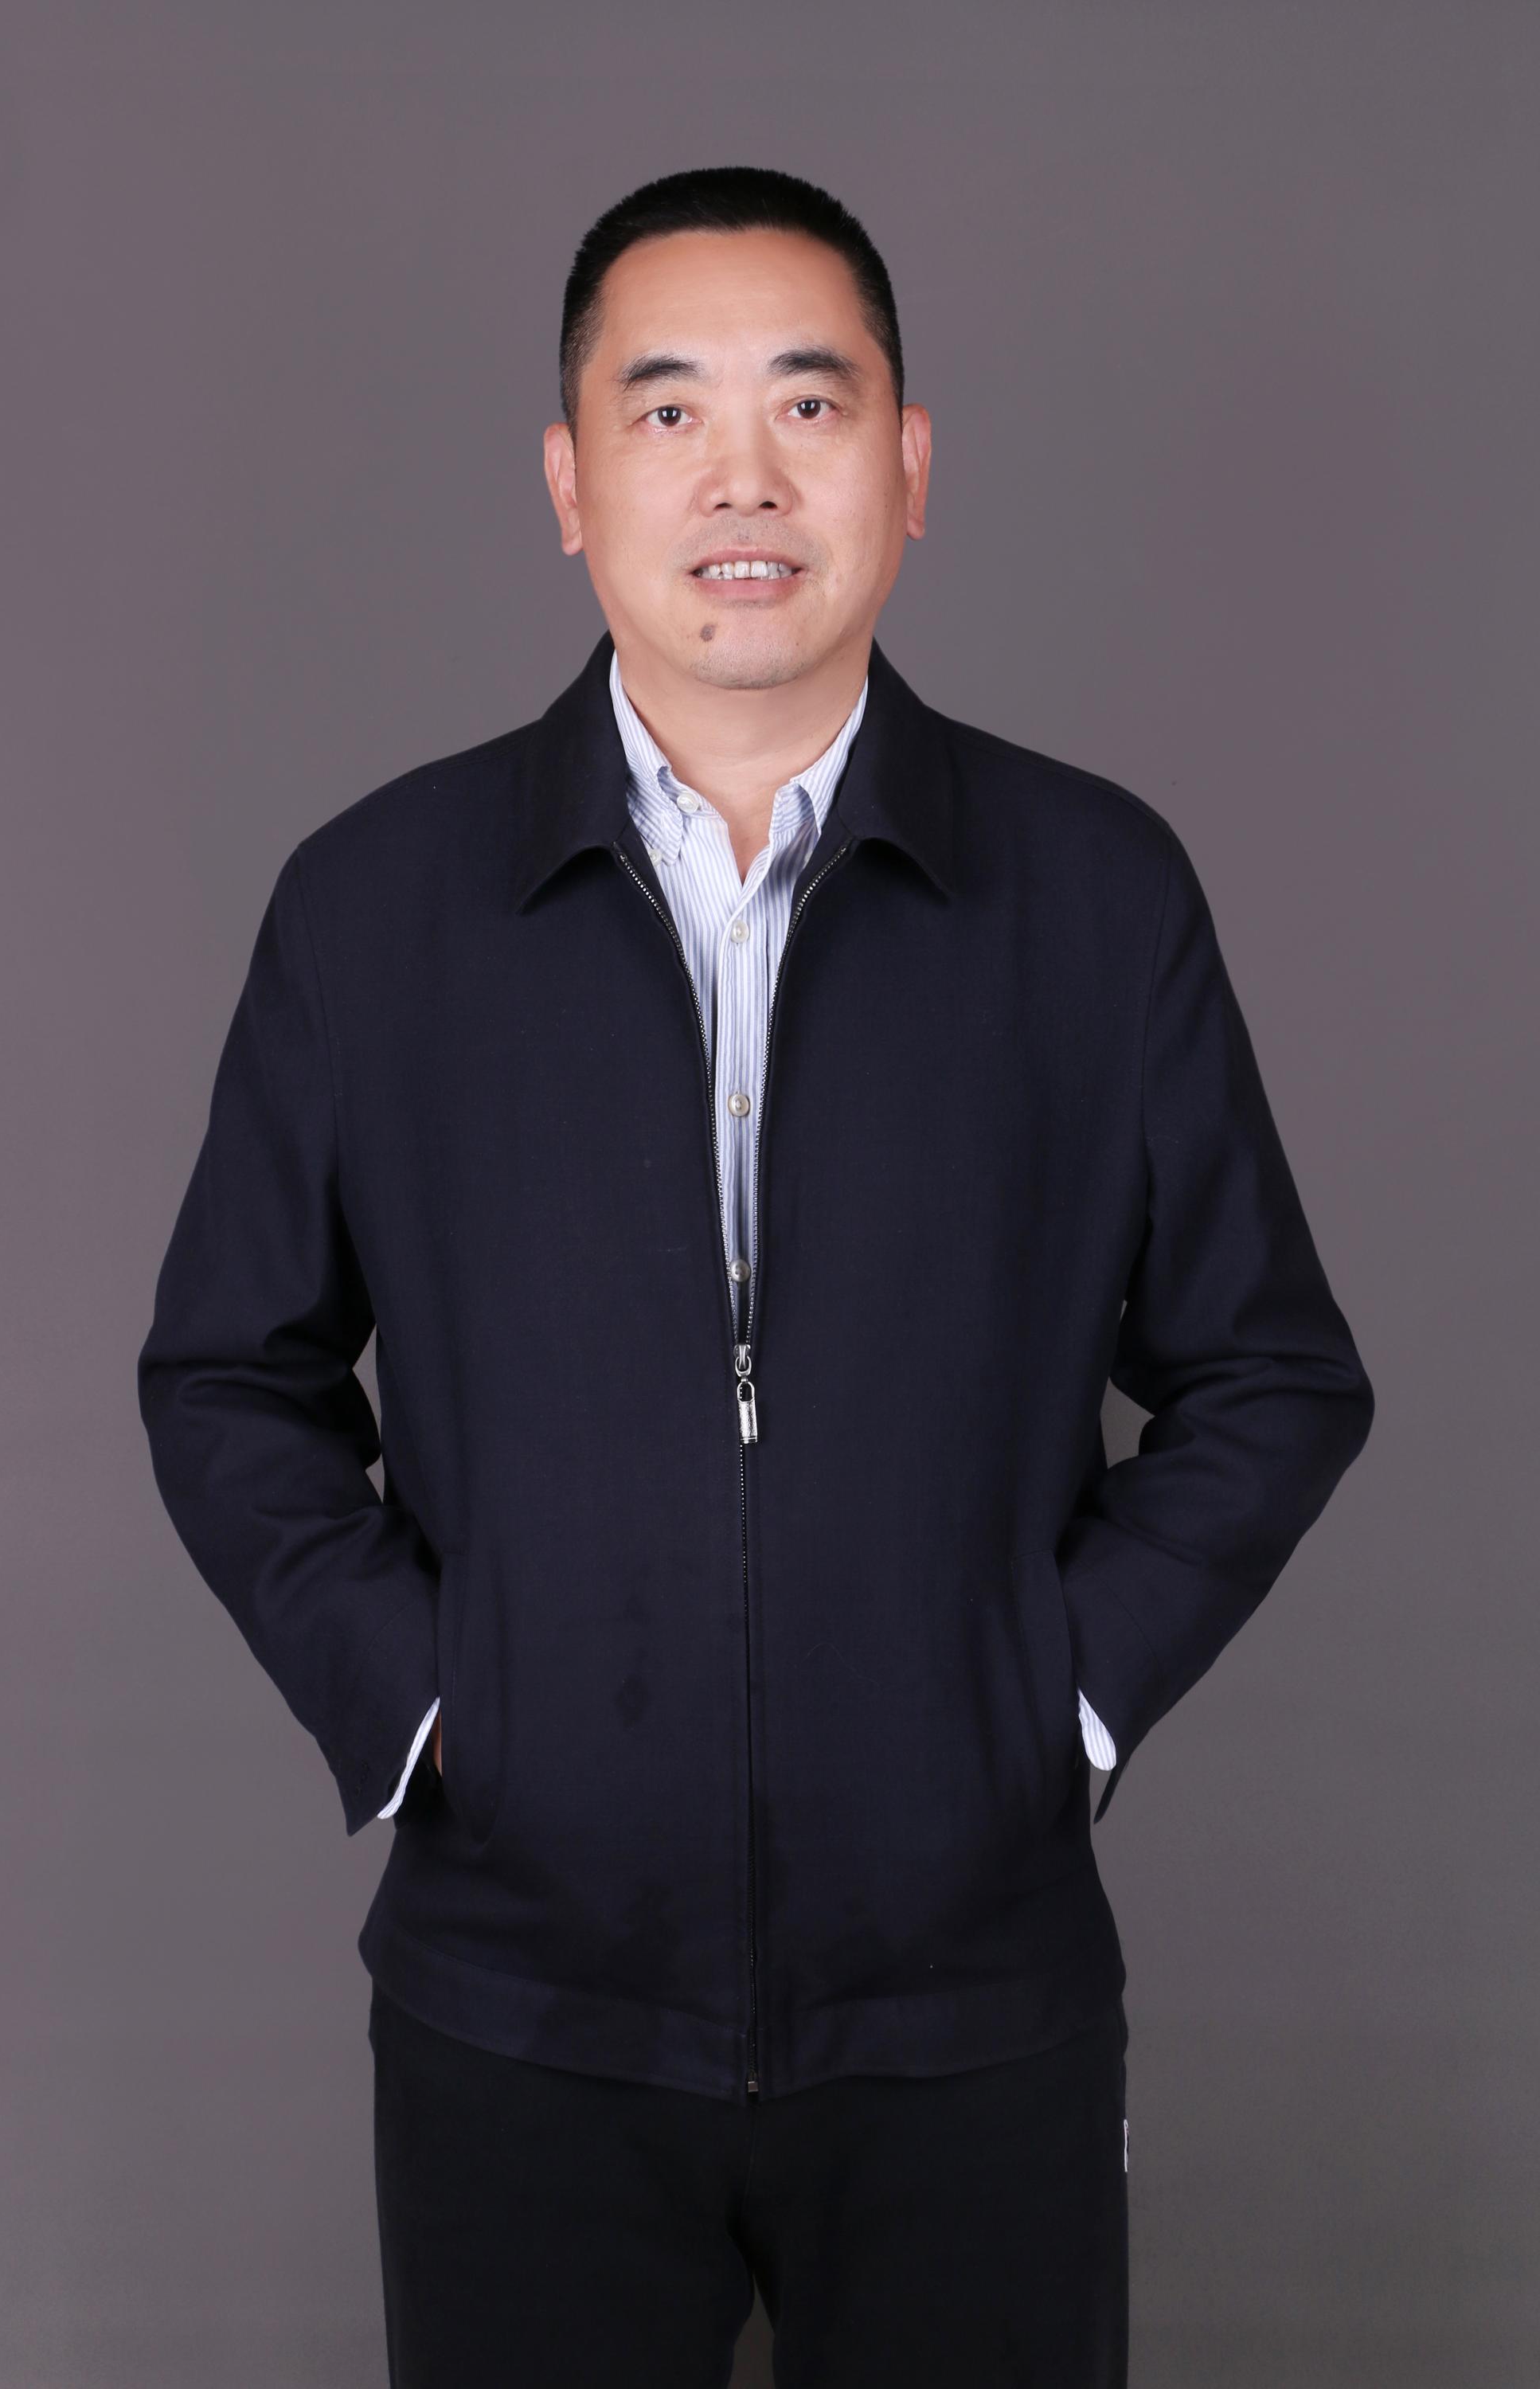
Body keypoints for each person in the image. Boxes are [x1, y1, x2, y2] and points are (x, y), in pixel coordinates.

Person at [137, 164, 1374, 2387]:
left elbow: (1273, 1372)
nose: (744, 478)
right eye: (668, 410)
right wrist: (429, 1703)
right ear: (568, 482)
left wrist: (1052, 1701)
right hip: (520, 2003)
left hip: (971, 2005)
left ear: (910, 466)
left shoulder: (1094, 895)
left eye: (811, 405)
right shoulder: (377, 904)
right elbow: (227, 1370)